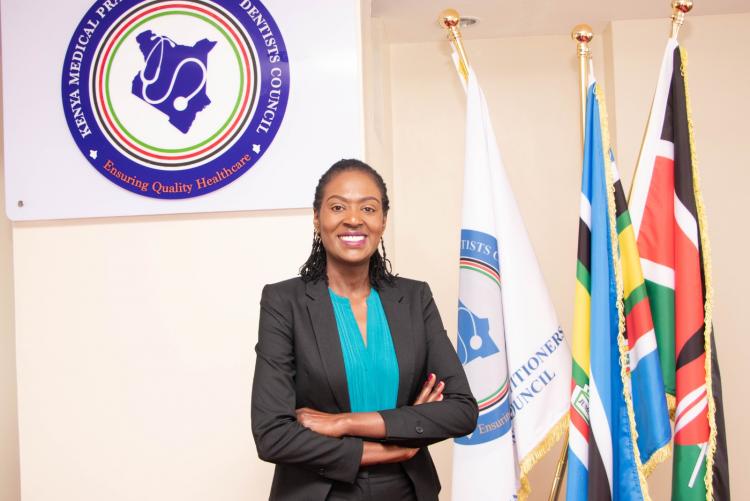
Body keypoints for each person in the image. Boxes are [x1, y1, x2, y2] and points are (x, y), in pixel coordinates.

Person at [251, 159, 478, 500]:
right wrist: (396, 448)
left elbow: (461, 410)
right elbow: (272, 435)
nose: (354, 219)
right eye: (338, 207)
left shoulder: (414, 298)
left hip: (407, 490)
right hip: (321, 492)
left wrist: (344, 423)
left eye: (368, 208)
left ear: (382, 221)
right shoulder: (284, 302)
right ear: (317, 218)